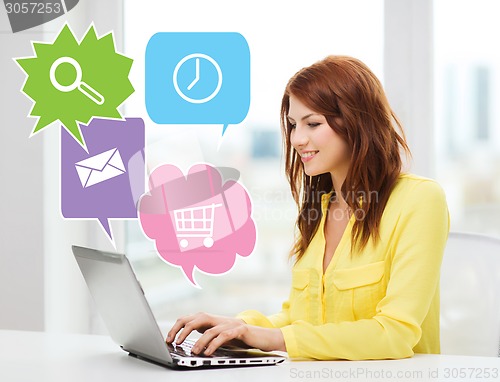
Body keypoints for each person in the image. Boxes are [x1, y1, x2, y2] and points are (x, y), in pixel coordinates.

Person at [166, 55, 450, 360]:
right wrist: (239, 327)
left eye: (313, 123)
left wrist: (271, 337)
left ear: (357, 122)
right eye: (292, 125)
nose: (297, 139)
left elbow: (395, 333)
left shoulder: (420, 200)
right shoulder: (320, 209)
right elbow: (299, 322)